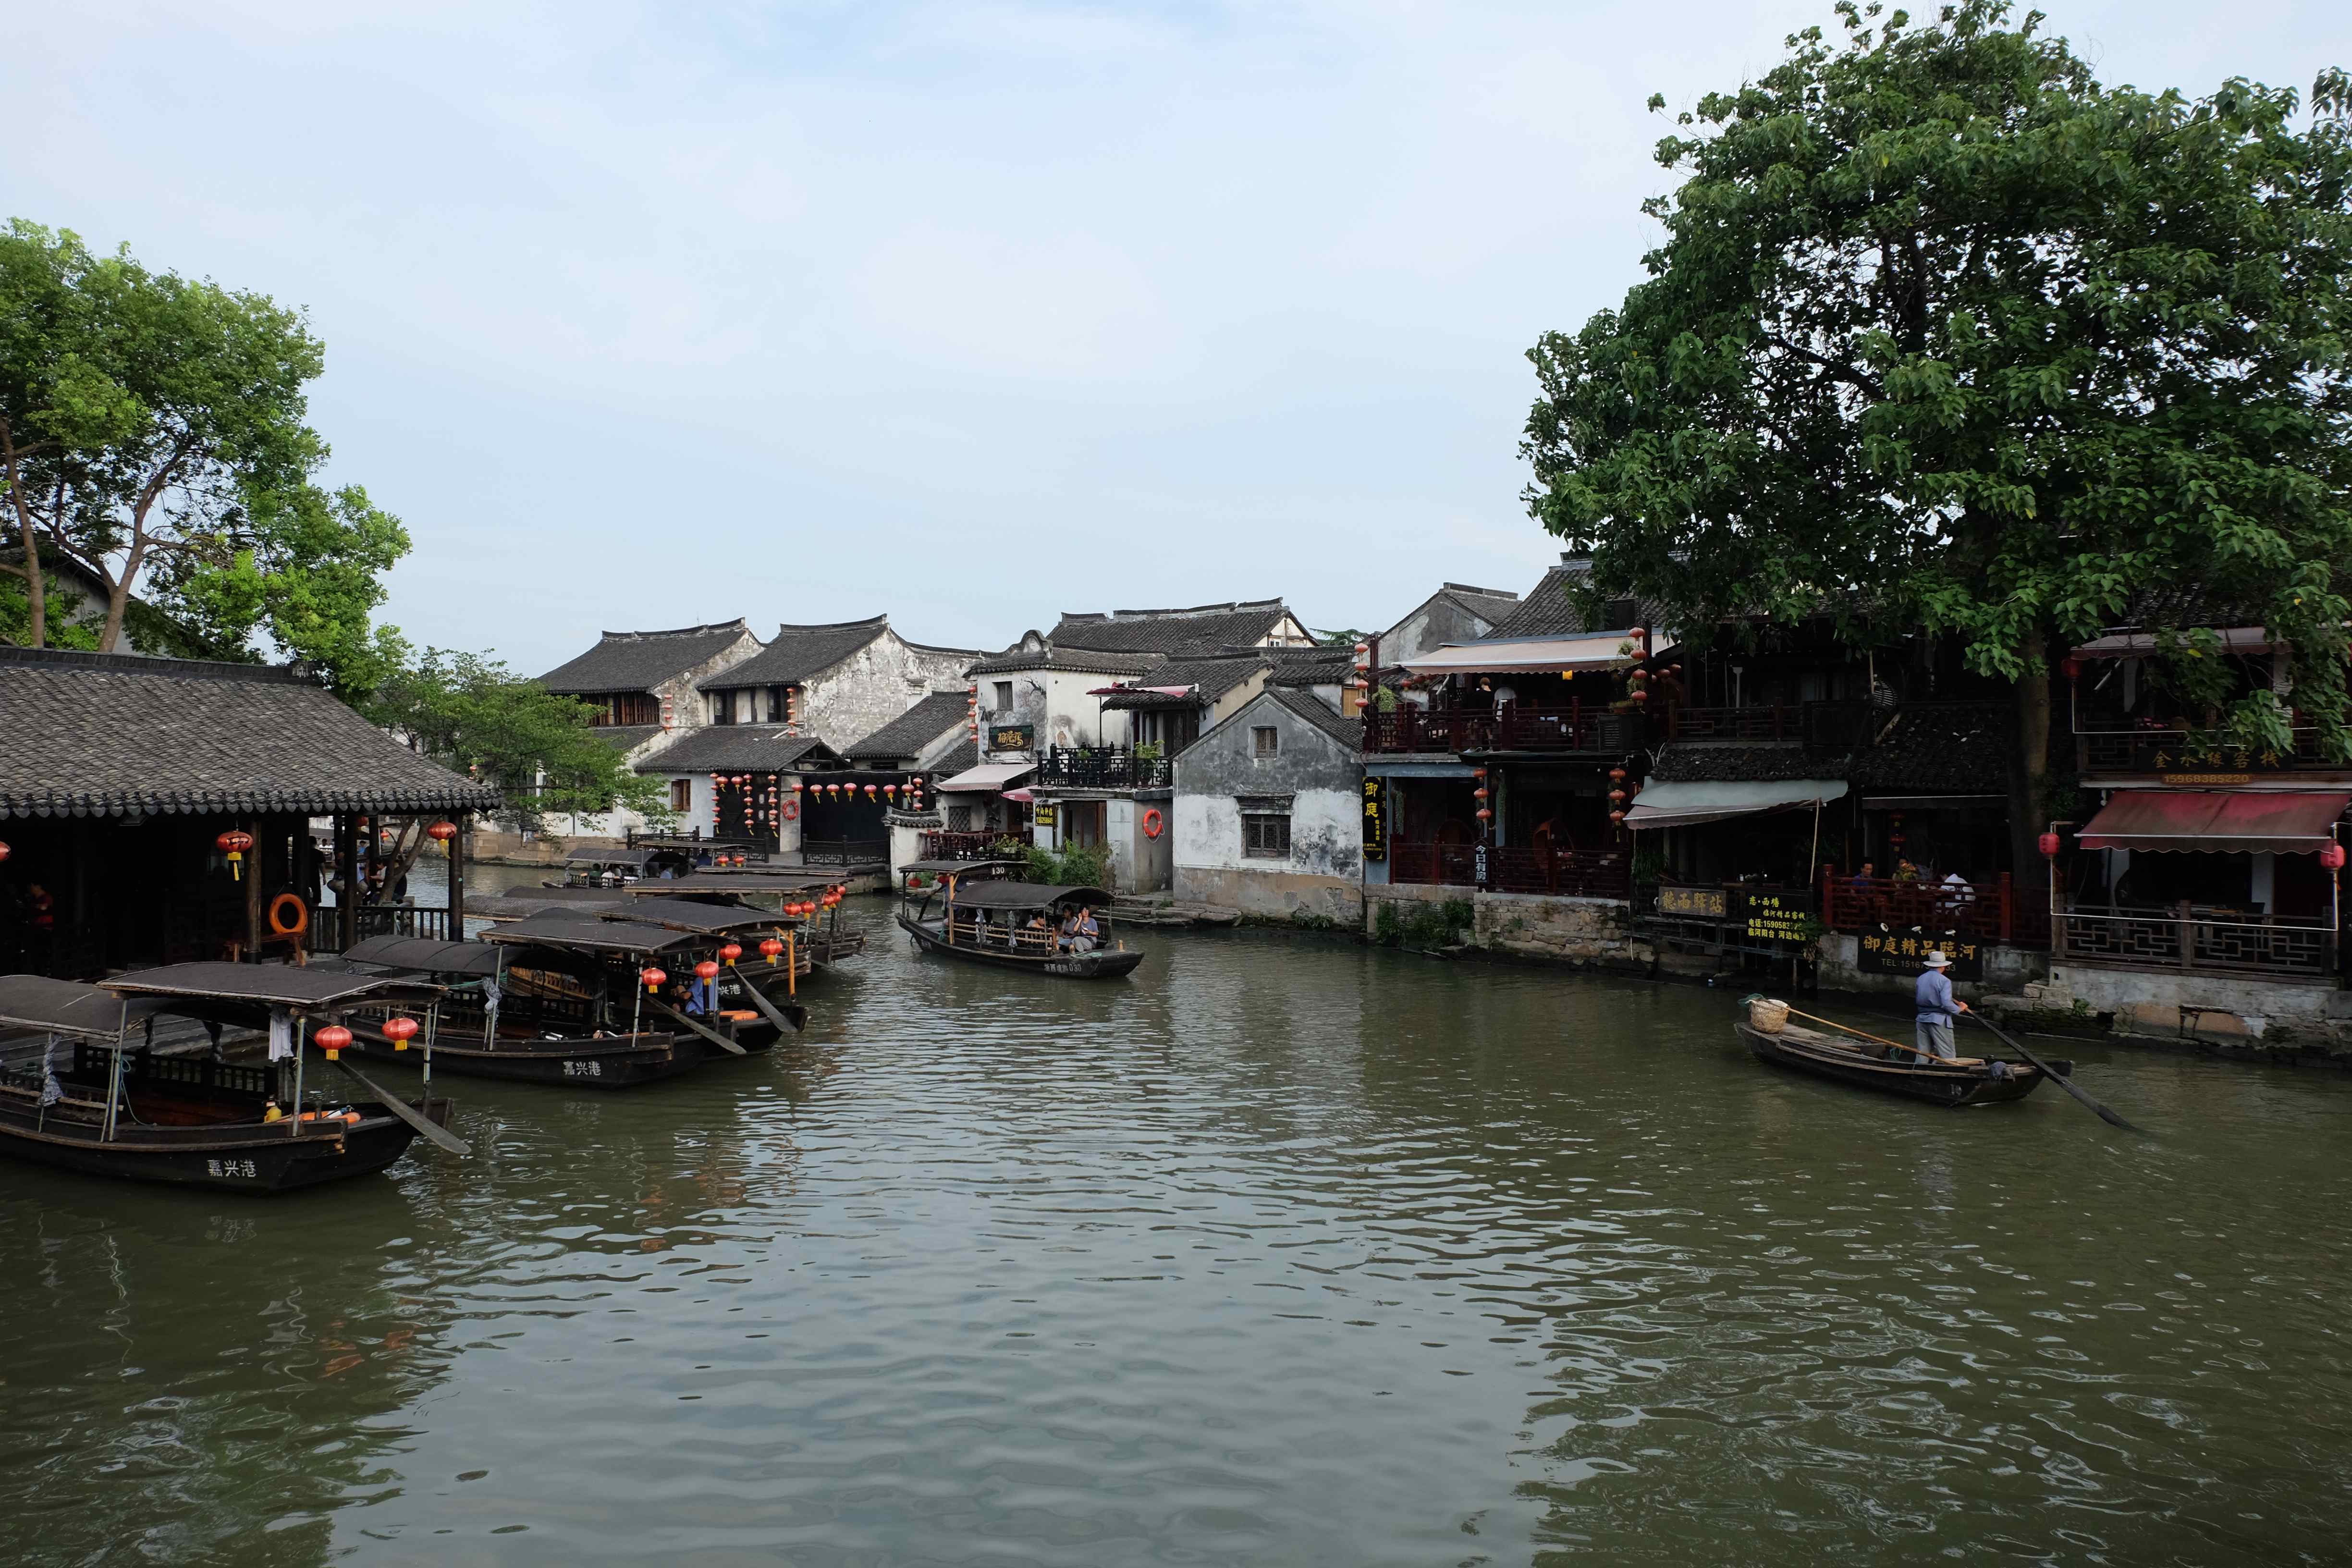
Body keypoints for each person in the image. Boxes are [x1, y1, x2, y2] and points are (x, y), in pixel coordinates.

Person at [1914, 949, 1969, 1060]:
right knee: (1947, 1052)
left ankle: (1919, 1068)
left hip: (1922, 1018)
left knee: (1923, 1053)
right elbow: (1946, 1003)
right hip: (1939, 1020)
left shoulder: (1921, 978)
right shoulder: (1944, 981)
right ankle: (1951, 1070)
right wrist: (1960, 1008)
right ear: (1944, 966)